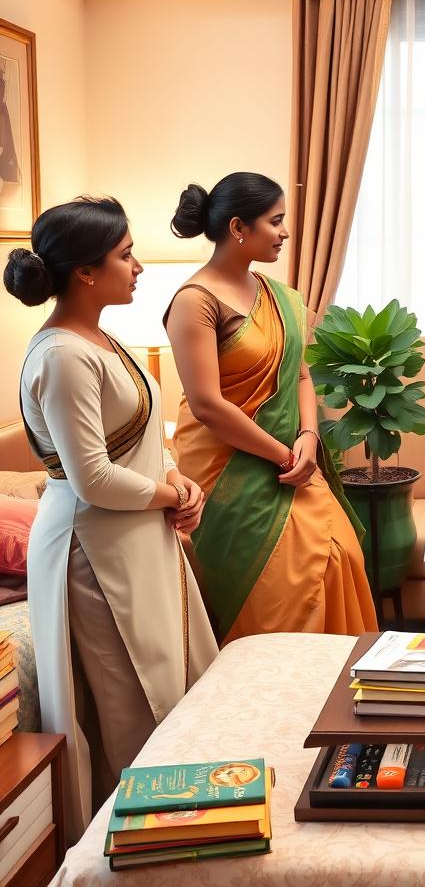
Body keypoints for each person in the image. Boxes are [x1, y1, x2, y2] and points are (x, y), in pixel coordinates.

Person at [4, 198, 218, 840]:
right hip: (92, 547)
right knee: (130, 702)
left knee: (171, 680)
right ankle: (138, 843)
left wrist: (179, 482)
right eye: (125, 254)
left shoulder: (98, 337)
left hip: (133, 535)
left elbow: (145, 443)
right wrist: (171, 495)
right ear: (87, 272)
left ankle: (190, 826)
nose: (139, 266)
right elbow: (92, 478)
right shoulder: (63, 355)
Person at [164, 172, 376, 644]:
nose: (285, 233)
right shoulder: (195, 303)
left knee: (338, 557)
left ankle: (337, 699)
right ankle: (270, 704)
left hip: (291, 460)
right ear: (239, 227)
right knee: (283, 589)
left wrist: (307, 437)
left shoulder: (279, 297)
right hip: (229, 469)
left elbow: (301, 373)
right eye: (276, 221)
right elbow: (207, 405)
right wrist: (282, 455)